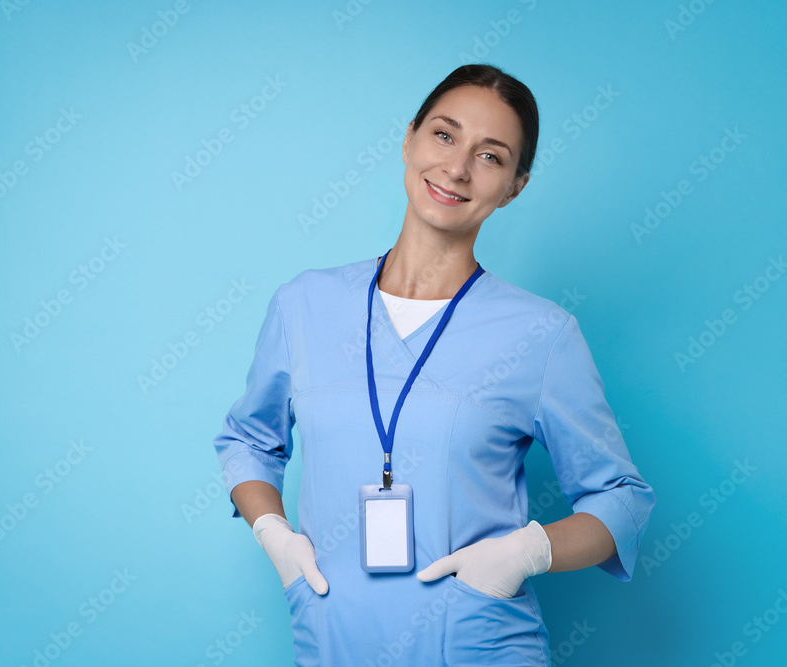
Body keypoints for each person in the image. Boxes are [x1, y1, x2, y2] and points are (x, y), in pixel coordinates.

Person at [212, 63, 655, 666]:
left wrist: (523, 554)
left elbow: (621, 500)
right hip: (332, 642)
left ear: (516, 185)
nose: (457, 168)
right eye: (444, 135)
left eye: (491, 156)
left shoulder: (541, 335)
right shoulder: (303, 306)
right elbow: (248, 440)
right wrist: (274, 536)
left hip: (479, 645)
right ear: (410, 138)